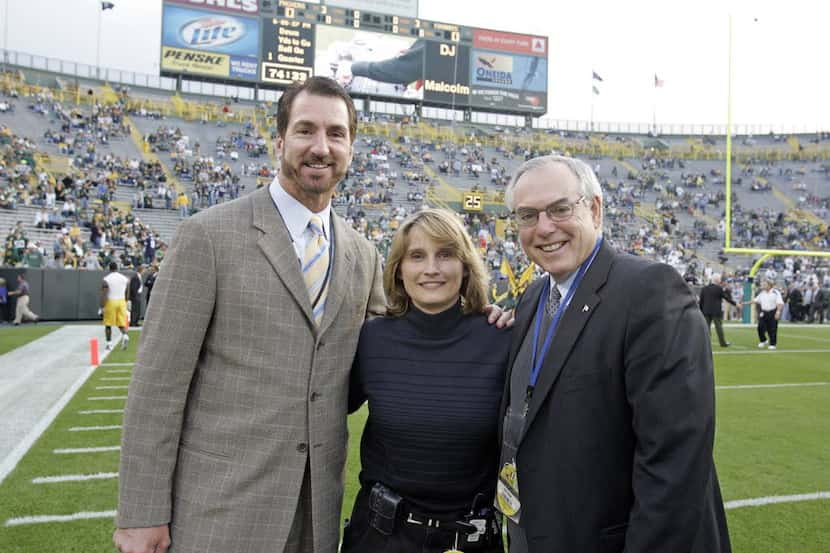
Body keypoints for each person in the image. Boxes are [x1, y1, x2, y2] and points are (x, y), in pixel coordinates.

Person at [113, 76, 389, 553]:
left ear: (352, 147)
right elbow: (157, 386)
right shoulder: (208, 236)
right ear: (280, 140)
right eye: (305, 130)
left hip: (315, 516)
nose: (321, 147)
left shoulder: (364, 256)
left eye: (336, 133)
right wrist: (141, 513)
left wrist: (477, 316)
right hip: (219, 512)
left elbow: (397, 348)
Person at [497, 155, 730, 553]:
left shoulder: (650, 291)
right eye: (527, 215)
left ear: (595, 209)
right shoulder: (535, 296)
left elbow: (673, 468)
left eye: (559, 209)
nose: (544, 227)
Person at [343, 209, 509, 553]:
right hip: (380, 537)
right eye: (417, 256)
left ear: (465, 266)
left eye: (445, 254)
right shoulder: (370, 339)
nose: (431, 269)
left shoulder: (505, 338)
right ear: (399, 271)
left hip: (470, 540)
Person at [699, 273, 736, 347]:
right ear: (717, 280)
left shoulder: (704, 288)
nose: (720, 280)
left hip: (706, 311)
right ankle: (722, 343)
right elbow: (727, 298)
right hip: (716, 311)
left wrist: (701, 311)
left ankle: (706, 344)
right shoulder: (719, 289)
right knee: (719, 328)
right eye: (719, 279)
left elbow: (701, 301)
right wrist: (735, 304)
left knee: (706, 328)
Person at [101, 261, 130, 351]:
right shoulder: (124, 278)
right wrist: (126, 301)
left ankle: (109, 344)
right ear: (117, 268)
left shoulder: (106, 279)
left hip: (111, 301)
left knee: (108, 324)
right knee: (121, 322)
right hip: (122, 301)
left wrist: (102, 306)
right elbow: (126, 291)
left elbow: (104, 293)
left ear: (109, 268)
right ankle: (125, 335)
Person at [752, 280, 784, 349]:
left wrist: (778, 312)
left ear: (769, 285)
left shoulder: (775, 292)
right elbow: (755, 300)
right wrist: (744, 303)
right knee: (760, 327)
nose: (763, 286)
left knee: (772, 329)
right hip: (764, 312)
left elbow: (780, 303)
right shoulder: (762, 293)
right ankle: (763, 340)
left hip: (773, 312)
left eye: (764, 284)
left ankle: (772, 344)